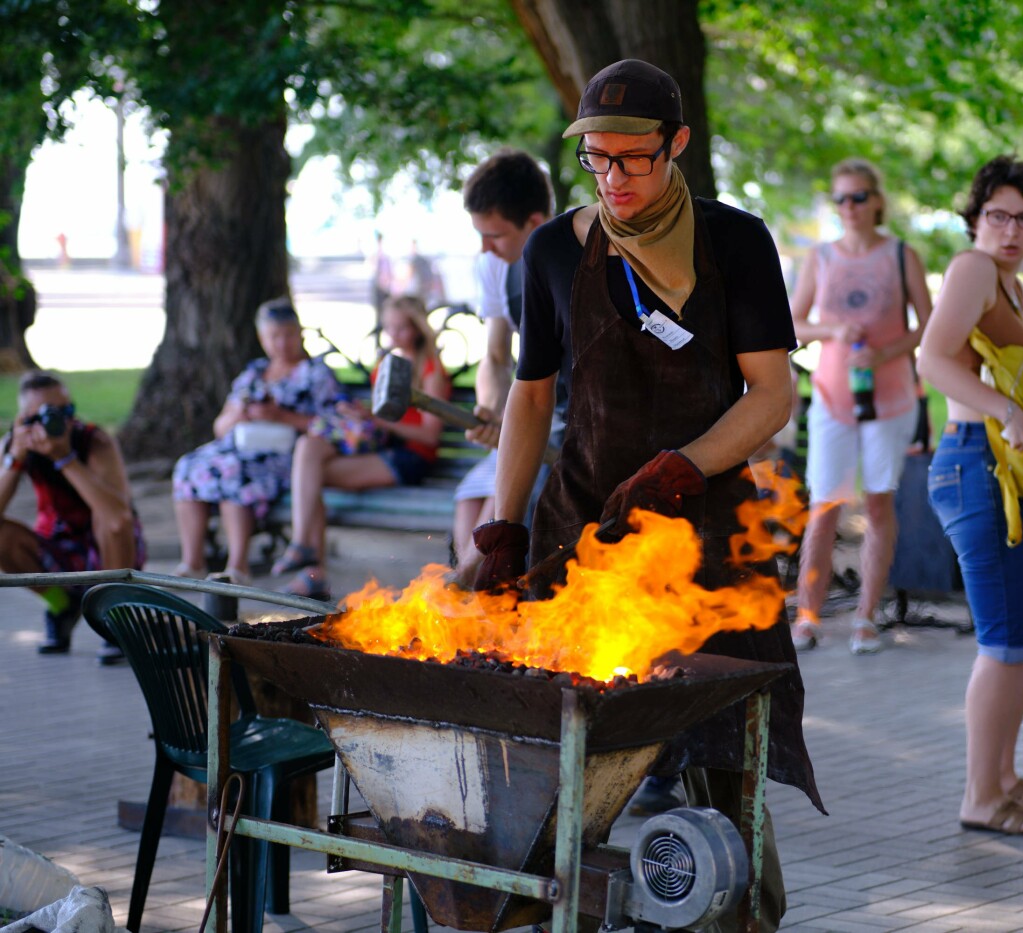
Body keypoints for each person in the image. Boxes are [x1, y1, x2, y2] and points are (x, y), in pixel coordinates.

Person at [472, 59, 823, 932]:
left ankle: (746, 919)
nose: (615, 178)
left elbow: (772, 397)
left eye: (633, 158)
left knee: (725, 764)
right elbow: (531, 395)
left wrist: (683, 467)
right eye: (597, 159)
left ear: (678, 144)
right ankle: (543, 913)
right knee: (554, 759)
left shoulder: (737, 242)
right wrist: (502, 521)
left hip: (705, 540)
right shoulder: (553, 249)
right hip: (581, 531)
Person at [915, 156, 1023, 837]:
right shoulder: (974, 270)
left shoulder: (1014, 286)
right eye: (997, 215)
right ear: (975, 221)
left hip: (1006, 474)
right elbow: (932, 358)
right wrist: (1005, 409)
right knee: (1004, 641)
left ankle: (1003, 776)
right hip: (974, 465)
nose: (1010, 228)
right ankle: (979, 793)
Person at [789, 157, 932, 655]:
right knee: (823, 505)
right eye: (841, 199)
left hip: (889, 398)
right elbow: (794, 324)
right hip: (832, 396)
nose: (849, 207)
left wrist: (887, 350)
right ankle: (807, 617)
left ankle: (866, 617)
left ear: (877, 202)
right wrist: (832, 331)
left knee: (877, 502)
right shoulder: (821, 258)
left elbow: (929, 327)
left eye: (858, 197)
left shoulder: (900, 255)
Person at [272, 295, 450, 598]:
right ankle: (305, 554)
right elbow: (379, 415)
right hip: (380, 448)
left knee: (309, 476)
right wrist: (357, 415)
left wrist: (378, 421)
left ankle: (311, 567)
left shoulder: (430, 370)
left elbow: (429, 436)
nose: (393, 335)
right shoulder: (387, 363)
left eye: (402, 328)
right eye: (389, 327)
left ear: (418, 329)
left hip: (410, 457)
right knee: (308, 449)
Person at [171, 298, 341, 583]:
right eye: (274, 336)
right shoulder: (254, 373)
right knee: (188, 465)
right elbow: (220, 427)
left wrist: (281, 416)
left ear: (299, 335)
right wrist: (240, 413)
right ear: (263, 339)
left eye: (288, 335)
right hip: (238, 448)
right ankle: (193, 561)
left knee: (233, 472)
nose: (282, 343)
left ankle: (237, 567)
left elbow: (334, 426)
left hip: (285, 456)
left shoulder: (316, 374)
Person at [449, 149, 554, 581]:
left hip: (573, 427)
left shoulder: (577, 263)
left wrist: (513, 425)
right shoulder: (495, 268)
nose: (484, 248)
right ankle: (469, 585)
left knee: (506, 502)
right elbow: (494, 356)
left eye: (494, 236)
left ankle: (472, 583)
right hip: (526, 418)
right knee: (472, 499)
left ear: (535, 223)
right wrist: (492, 411)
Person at [0, 370, 145, 662]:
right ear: (24, 418)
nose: (59, 422)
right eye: (44, 414)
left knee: (111, 522)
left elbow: (118, 518)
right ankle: (61, 605)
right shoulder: (15, 443)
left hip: (110, 547)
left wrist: (65, 459)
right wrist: (13, 460)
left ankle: (114, 615)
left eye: (65, 411)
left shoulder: (94, 440)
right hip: (57, 546)